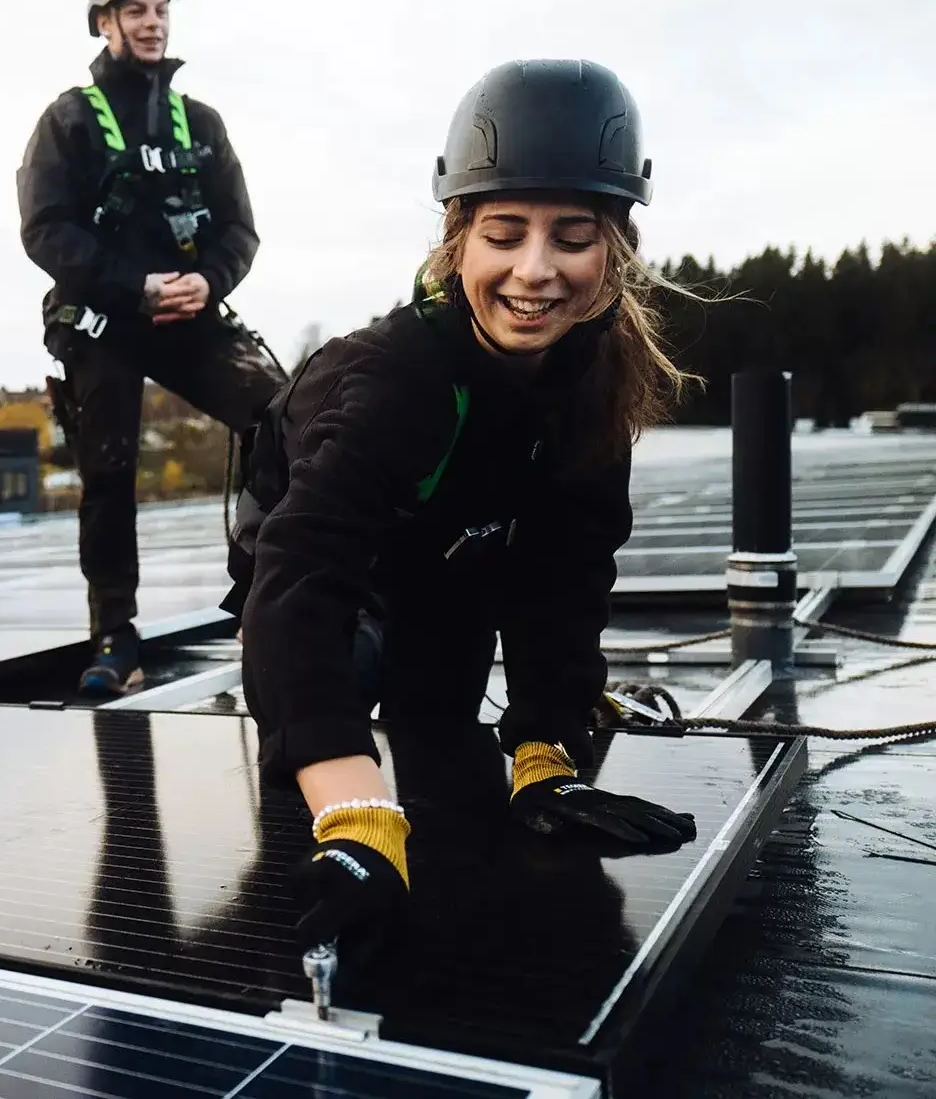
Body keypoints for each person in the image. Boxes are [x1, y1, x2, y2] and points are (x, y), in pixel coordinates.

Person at [223, 58, 700, 949]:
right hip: (327, 572)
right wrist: (355, 812)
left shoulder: (592, 383)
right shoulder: (394, 380)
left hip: (452, 553)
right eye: (505, 233)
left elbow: (565, 575)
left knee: (447, 737)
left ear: (617, 250)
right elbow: (301, 580)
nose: (536, 270)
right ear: (457, 242)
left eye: (572, 236)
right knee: (340, 696)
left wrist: (547, 753)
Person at [17, 0, 285, 696]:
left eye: (162, 9)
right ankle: (115, 637)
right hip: (105, 315)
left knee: (283, 415)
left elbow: (240, 230)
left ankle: (266, 600)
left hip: (191, 312)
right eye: (135, 10)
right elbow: (44, 230)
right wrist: (135, 287)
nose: (152, 22)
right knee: (107, 468)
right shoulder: (67, 120)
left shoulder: (201, 123)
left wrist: (208, 279)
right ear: (104, 22)